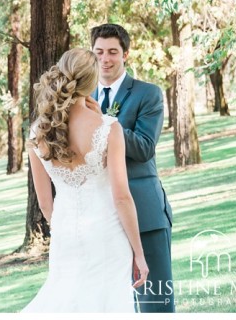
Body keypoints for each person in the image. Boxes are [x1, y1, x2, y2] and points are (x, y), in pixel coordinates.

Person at [22, 48, 148, 313]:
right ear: (91, 83)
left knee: (68, 300)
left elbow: (45, 205)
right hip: (107, 234)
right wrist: (139, 251)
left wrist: (64, 229)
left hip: (65, 233)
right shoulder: (108, 128)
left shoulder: (37, 133)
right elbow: (122, 197)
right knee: (109, 304)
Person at [90, 23, 174, 312]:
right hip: (101, 216)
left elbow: (143, 148)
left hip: (145, 213)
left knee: (156, 304)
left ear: (126, 53)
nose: (105, 59)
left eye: (113, 52)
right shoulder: (82, 99)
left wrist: (102, 123)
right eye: (99, 52)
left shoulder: (147, 94)